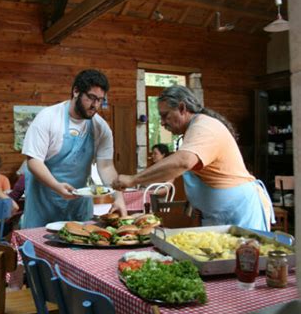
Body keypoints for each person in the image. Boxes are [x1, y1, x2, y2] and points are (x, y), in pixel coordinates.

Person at [113, 85, 273, 231]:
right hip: (216, 216)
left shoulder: (204, 127)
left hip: (239, 214)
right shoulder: (191, 132)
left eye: (165, 115)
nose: (162, 122)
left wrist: (133, 179)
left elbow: (182, 162)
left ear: (182, 108)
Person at [21, 69, 127, 228]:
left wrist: (118, 198)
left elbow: (106, 166)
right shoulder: (48, 118)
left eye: (100, 100)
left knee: (80, 246)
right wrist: (57, 187)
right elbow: (34, 161)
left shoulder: (100, 127)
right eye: (91, 98)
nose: (95, 105)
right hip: (44, 203)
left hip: (78, 205)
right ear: (76, 91)